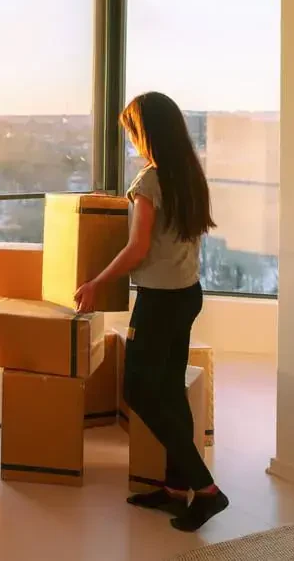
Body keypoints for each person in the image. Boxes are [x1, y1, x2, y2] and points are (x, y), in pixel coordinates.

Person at [74, 91, 228, 532]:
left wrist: (96, 282)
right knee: (169, 391)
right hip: (186, 294)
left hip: (160, 300)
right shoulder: (189, 177)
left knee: (140, 391)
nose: (133, 142)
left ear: (148, 133)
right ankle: (178, 489)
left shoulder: (150, 182)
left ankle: (208, 490)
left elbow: (137, 248)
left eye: (133, 133)